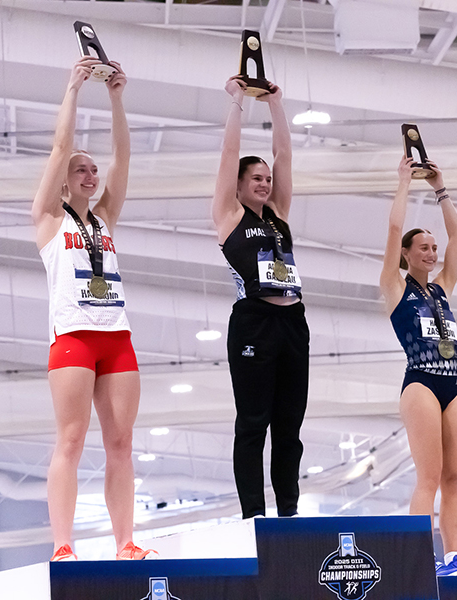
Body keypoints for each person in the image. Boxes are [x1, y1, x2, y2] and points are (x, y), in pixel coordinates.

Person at [32, 57, 153, 561]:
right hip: (75, 337)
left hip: (116, 335)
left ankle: (125, 542)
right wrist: (73, 89)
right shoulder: (47, 219)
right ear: (63, 181)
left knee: (121, 443)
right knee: (72, 439)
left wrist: (117, 98)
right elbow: (62, 146)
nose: (90, 173)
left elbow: (122, 159)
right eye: (80, 169)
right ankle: (63, 545)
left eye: (91, 169)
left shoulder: (104, 217)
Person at [212, 76, 309, 519]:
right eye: (256, 178)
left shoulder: (279, 215)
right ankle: (254, 513)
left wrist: (276, 105)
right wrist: (238, 103)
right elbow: (229, 155)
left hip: (293, 323)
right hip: (254, 322)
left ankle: (288, 510)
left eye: (267, 179)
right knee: (254, 424)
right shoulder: (230, 215)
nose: (265, 183)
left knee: (289, 427)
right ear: (238, 184)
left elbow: (285, 154)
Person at [379, 156, 457, 576]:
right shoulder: (394, 286)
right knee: (430, 476)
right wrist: (404, 182)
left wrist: (441, 188)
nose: (433, 252)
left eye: (433, 249)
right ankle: (418, 559)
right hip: (420, 382)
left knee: (455, 476)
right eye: (424, 247)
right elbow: (392, 231)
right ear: (407, 255)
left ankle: (453, 557)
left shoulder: (443, 288)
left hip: (453, 383)